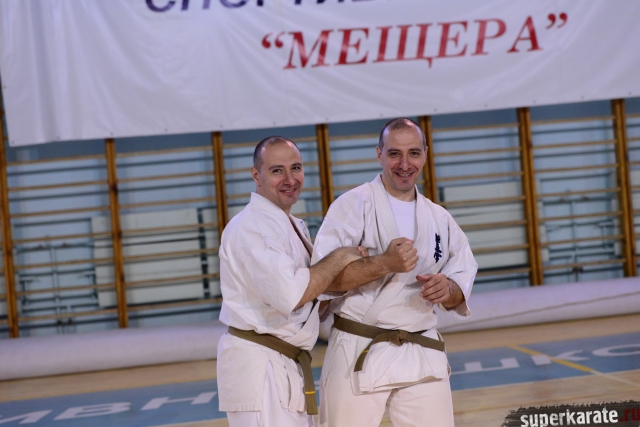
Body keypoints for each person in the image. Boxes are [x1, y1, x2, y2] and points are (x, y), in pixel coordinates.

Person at [311, 118, 478, 427]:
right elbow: (323, 280)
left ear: (425, 154)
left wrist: (448, 290)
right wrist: (384, 263)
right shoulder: (352, 205)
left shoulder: (439, 218)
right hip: (359, 345)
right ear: (379, 154)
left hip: (421, 348)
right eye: (394, 154)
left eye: (413, 153)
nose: (404, 164)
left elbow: (461, 279)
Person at [216, 136, 366, 427]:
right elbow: (293, 295)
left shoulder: (288, 224)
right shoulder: (252, 228)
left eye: (295, 168)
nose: (290, 179)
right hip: (261, 367)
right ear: (256, 175)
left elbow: (310, 301)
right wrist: (339, 258)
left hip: (284, 362)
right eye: (277, 171)